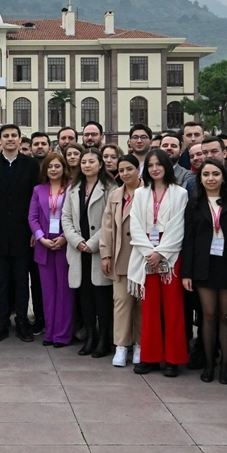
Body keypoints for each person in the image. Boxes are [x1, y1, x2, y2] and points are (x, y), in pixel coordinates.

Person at [129, 149, 189, 376]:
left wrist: (161, 252)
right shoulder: (141, 193)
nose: (154, 169)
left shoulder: (180, 193)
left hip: (170, 255)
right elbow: (134, 224)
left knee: (173, 309)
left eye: (159, 164)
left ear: (166, 166)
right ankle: (150, 357)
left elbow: (178, 227)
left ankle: (173, 359)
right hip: (146, 254)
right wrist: (148, 252)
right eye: (151, 165)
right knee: (149, 309)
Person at [181, 158, 227, 384]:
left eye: (215, 174)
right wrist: (187, 272)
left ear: (224, 177)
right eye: (206, 175)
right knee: (207, 316)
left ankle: (225, 365)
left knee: (224, 317)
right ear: (200, 178)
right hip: (203, 266)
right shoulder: (194, 204)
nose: (211, 178)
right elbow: (188, 240)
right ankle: (208, 364)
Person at [0, 124, 39, 343]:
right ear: (0, 140)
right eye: (6, 136)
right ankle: (1, 322)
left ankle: (22, 321)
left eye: (14, 135)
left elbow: (35, 200)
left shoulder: (31, 165)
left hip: (23, 233)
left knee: (21, 280)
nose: (10, 139)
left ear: (20, 138)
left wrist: (34, 230)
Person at [64, 149, 114, 357]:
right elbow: (65, 218)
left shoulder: (111, 188)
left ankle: (104, 339)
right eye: (83, 162)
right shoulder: (73, 188)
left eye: (91, 161)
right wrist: (77, 241)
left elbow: (110, 220)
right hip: (78, 251)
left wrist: (92, 243)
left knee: (101, 298)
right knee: (85, 297)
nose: (86, 165)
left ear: (100, 164)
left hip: (98, 250)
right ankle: (90, 337)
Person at [101, 154, 143, 368]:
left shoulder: (148, 193)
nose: (126, 173)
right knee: (121, 302)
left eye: (130, 169)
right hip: (120, 257)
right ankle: (121, 345)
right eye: (122, 170)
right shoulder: (115, 194)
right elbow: (107, 227)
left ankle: (139, 344)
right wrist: (106, 254)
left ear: (138, 170)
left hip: (143, 258)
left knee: (141, 305)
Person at [29, 152, 71, 348]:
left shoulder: (71, 189)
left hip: (65, 244)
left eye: (57, 166)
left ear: (64, 168)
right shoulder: (39, 190)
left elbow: (75, 217)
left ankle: (63, 334)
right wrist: (40, 238)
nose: (53, 170)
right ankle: (50, 332)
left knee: (64, 292)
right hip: (44, 245)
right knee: (48, 292)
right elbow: (32, 217)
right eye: (50, 166)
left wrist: (64, 237)